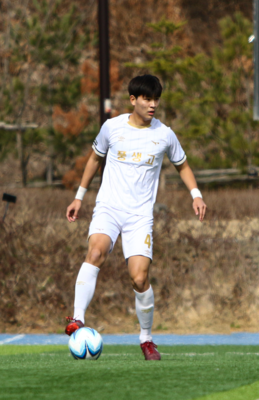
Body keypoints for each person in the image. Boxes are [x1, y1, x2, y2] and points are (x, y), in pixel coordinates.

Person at [65, 74, 207, 361]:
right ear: (133, 100)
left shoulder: (164, 134)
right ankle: (77, 319)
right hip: (109, 207)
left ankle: (146, 339)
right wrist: (79, 196)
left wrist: (196, 194)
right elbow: (94, 159)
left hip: (140, 216)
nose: (153, 104)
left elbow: (183, 165)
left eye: (156, 99)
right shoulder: (112, 128)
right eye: (147, 99)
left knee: (140, 278)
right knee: (95, 251)